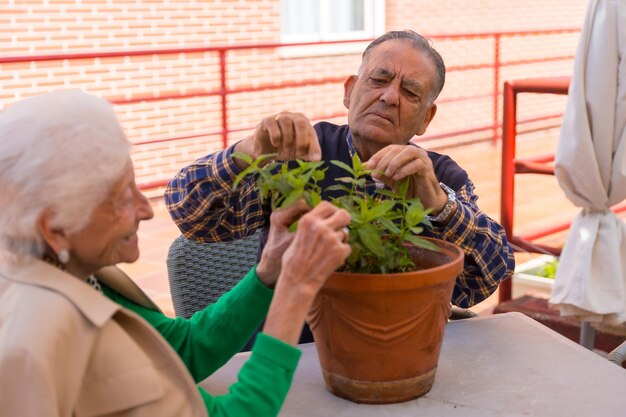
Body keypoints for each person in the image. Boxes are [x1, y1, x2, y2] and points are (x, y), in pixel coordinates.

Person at [0, 90, 352, 417]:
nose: (146, 210)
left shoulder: (60, 270)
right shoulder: (72, 335)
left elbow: (181, 350)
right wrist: (294, 292)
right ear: (54, 228)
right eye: (123, 196)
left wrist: (269, 270)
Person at [165, 29, 515, 310]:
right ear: (349, 91)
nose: (389, 97)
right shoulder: (299, 155)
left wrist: (439, 206)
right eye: (379, 80)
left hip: (395, 347)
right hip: (287, 348)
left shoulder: (439, 177)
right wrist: (247, 152)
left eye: (410, 92)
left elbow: (482, 281)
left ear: (426, 117)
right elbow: (193, 216)